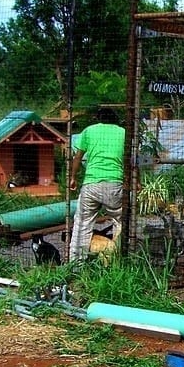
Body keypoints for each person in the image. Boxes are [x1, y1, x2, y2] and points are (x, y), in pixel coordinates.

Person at [68, 107, 125, 263]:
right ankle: (119, 258)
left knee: (82, 224)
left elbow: (78, 157)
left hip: (91, 184)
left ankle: (76, 264)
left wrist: (73, 177)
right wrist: (137, 181)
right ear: (115, 119)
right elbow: (132, 160)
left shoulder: (89, 131)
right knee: (121, 221)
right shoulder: (123, 132)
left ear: (98, 119)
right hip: (115, 183)